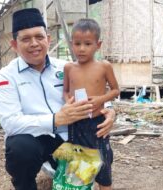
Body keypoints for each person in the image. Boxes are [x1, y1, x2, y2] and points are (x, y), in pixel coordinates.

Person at [0, 8, 116, 190]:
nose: (34, 43)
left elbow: (93, 93)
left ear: (48, 39)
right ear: (14, 44)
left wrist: (110, 109)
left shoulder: (68, 68)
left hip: (72, 139)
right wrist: (55, 120)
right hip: (38, 144)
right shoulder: (6, 77)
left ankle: (70, 172)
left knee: (100, 153)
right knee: (20, 148)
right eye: (26, 39)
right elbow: (10, 123)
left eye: (39, 37)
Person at [63, 18, 119, 190]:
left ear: (98, 44)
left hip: (97, 123)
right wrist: (68, 102)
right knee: (79, 162)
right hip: (76, 123)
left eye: (87, 43)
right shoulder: (69, 68)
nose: (81, 48)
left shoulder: (104, 66)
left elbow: (116, 90)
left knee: (103, 161)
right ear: (72, 44)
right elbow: (65, 91)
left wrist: (100, 99)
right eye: (77, 43)